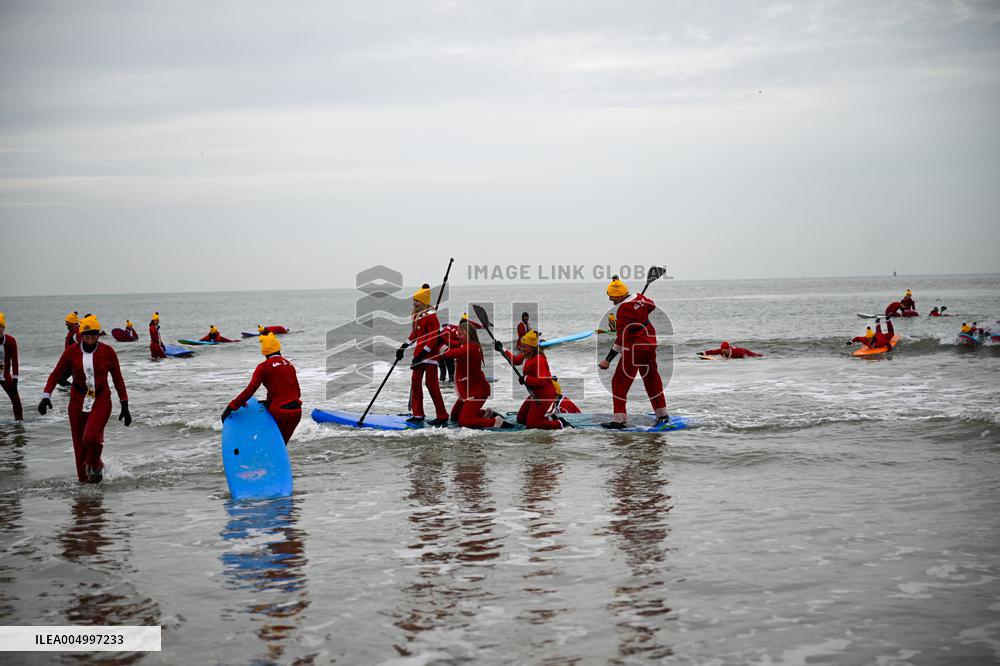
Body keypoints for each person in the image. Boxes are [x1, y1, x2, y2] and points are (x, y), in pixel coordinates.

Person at [38, 315, 131, 484]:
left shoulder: (108, 352)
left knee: (90, 438)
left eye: (93, 336)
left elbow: (118, 379)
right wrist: (46, 395)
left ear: (98, 336)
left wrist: (124, 404)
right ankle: (84, 492)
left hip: (101, 399)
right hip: (76, 401)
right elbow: (56, 374)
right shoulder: (71, 351)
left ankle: (95, 464)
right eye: (86, 337)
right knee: (79, 450)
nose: (90, 340)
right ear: (81, 336)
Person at [597, 276, 669, 429]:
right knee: (652, 379)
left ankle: (619, 421)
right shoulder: (641, 297)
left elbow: (620, 340)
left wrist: (607, 360)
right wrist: (639, 308)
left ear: (619, 294)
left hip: (635, 349)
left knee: (619, 382)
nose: (610, 299)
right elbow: (652, 306)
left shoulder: (623, 310)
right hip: (650, 344)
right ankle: (662, 415)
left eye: (611, 296)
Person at [222, 333, 301, 444]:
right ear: (278, 348)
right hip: (296, 412)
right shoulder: (289, 364)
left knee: (268, 443)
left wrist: (231, 407)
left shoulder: (263, 367)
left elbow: (250, 390)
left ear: (264, 352)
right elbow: (296, 392)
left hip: (280, 412)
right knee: (280, 446)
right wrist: (269, 402)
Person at [441, 321, 511, 429]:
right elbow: (454, 345)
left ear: (469, 335)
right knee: (455, 417)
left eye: (460, 334)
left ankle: (495, 422)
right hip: (468, 389)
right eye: (457, 334)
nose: (457, 336)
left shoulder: (471, 348)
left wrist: (442, 346)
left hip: (477, 391)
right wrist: (442, 337)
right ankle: (486, 414)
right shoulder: (465, 345)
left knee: (464, 421)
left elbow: (450, 354)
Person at [396, 284, 448, 426]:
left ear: (424, 302)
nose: (414, 303)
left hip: (430, 355)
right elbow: (414, 334)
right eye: (413, 300)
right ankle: (418, 414)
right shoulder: (416, 316)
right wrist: (403, 347)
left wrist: (424, 353)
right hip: (418, 354)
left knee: (431, 385)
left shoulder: (432, 316)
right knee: (415, 383)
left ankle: (442, 415)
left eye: (417, 301)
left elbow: (433, 337)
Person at [498, 331, 564, 430]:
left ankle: (559, 423)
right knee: (521, 419)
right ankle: (547, 417)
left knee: (532, 425)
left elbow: (542, 381)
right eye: (521, 346)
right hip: (535, 394)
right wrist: (502, 349)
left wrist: (526, 379)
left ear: (532, 347)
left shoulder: (539, 359)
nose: (521, 348)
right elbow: (515, 361)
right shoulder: (527, 354)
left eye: (524, 346)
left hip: (545, 395)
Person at [0, 312, 23, 421]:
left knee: (16, 399)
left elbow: (15, 361)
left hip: (4, 374)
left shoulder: (10, 341)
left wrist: (15, 379)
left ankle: (19, 422)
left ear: (3, 327)